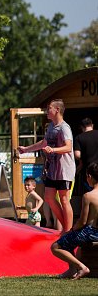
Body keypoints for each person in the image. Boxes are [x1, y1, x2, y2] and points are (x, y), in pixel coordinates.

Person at [18, 99, 75, 232]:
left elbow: (68, 147)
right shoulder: (50, 126)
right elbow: (44, 143)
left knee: (64, 200)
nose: (46, 111)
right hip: (53, 169)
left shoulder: (64, 127)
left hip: (64, 170)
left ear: (57, 110)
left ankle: (68, 231)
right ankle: (67, 229)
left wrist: (53, 150)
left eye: (49, 108)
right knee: (49, 197)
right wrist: (26, 149)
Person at [51, 162, 98, 280]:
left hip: (90, 232)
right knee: (70, 240)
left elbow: (82, 222)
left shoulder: (89, 196)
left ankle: (81, 267)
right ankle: (72, 270)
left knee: (56, 246)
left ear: (90, 177)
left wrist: (70, 230)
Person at [75, 118, 98, 198]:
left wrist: (84, 158)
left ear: (82, 127)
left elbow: (77, 155)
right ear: (92, 125)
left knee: (90, 192)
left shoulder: (79, 137)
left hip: (88, 169)